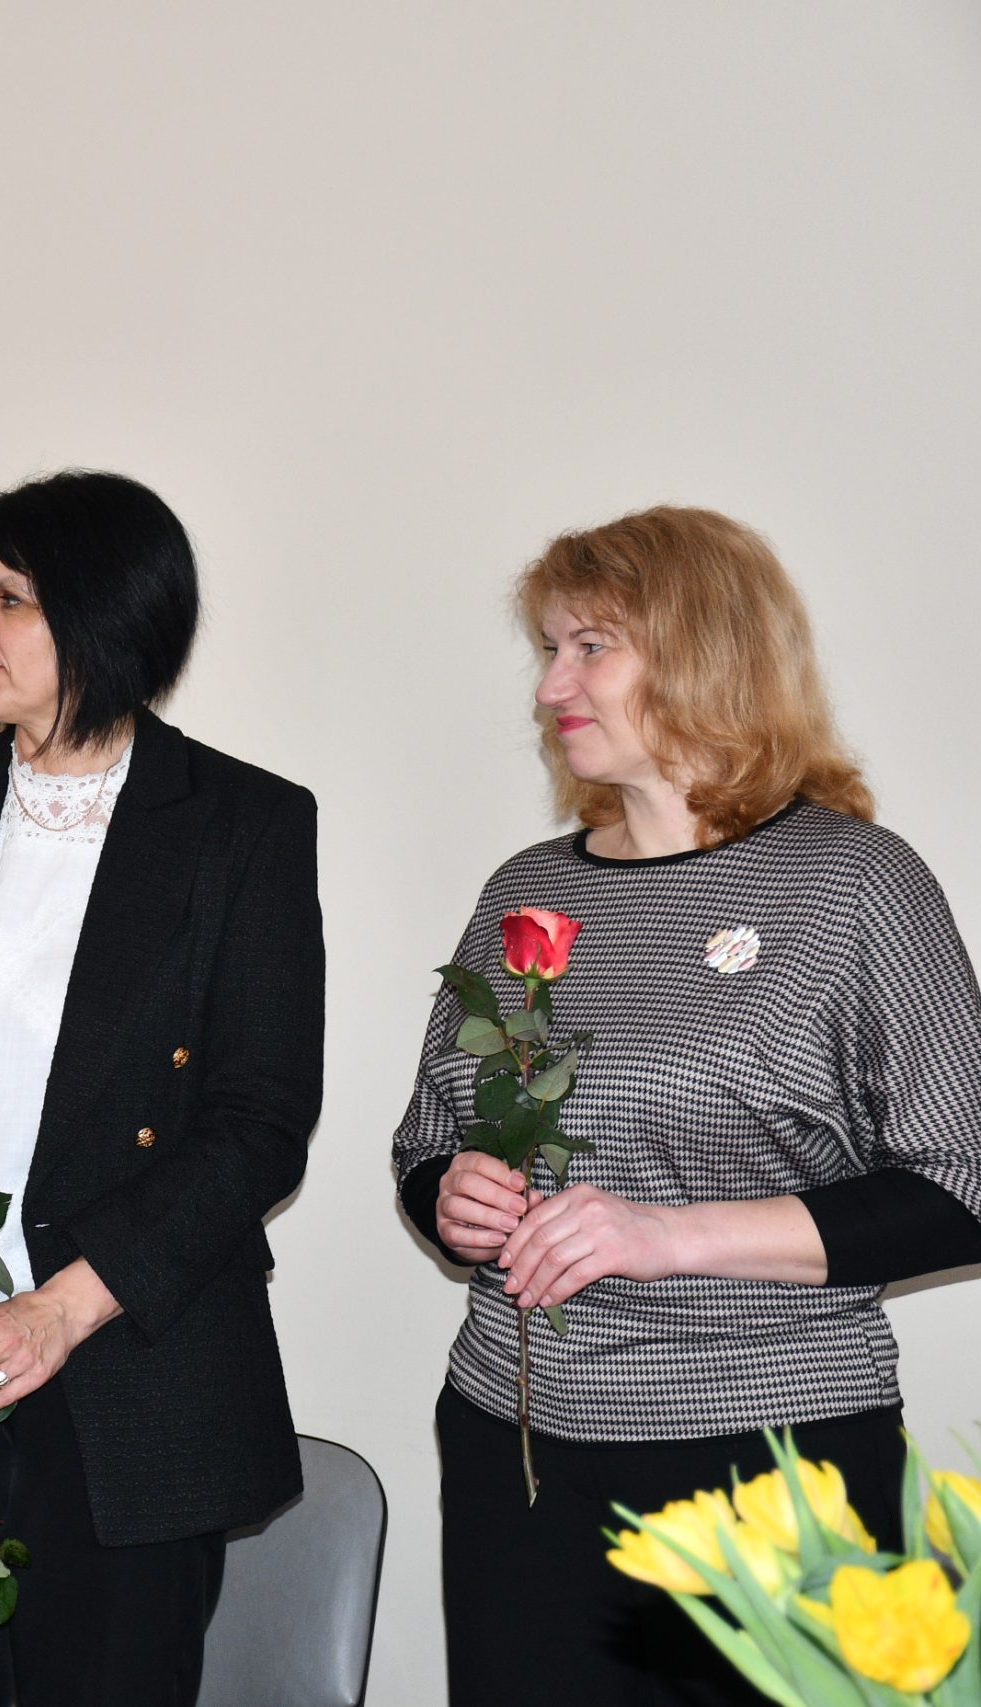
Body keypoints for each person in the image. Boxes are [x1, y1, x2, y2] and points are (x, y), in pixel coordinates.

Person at [392, 506, 981, 1706]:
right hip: (517, 1445)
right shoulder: (526, 891)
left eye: (590, 647)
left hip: (767, 1467)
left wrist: (666, 1236)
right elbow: (429, 1135)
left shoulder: (855, 883)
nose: (551, 685)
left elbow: (958, 1186)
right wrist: (450, 1195)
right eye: (548, 649)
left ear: (704, 653)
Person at [0, 469, 324, 1707]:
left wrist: (59, 1311)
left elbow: (259, 1123)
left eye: (7, 599)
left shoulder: (242, 823)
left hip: (132, 1379)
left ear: (103, 617)